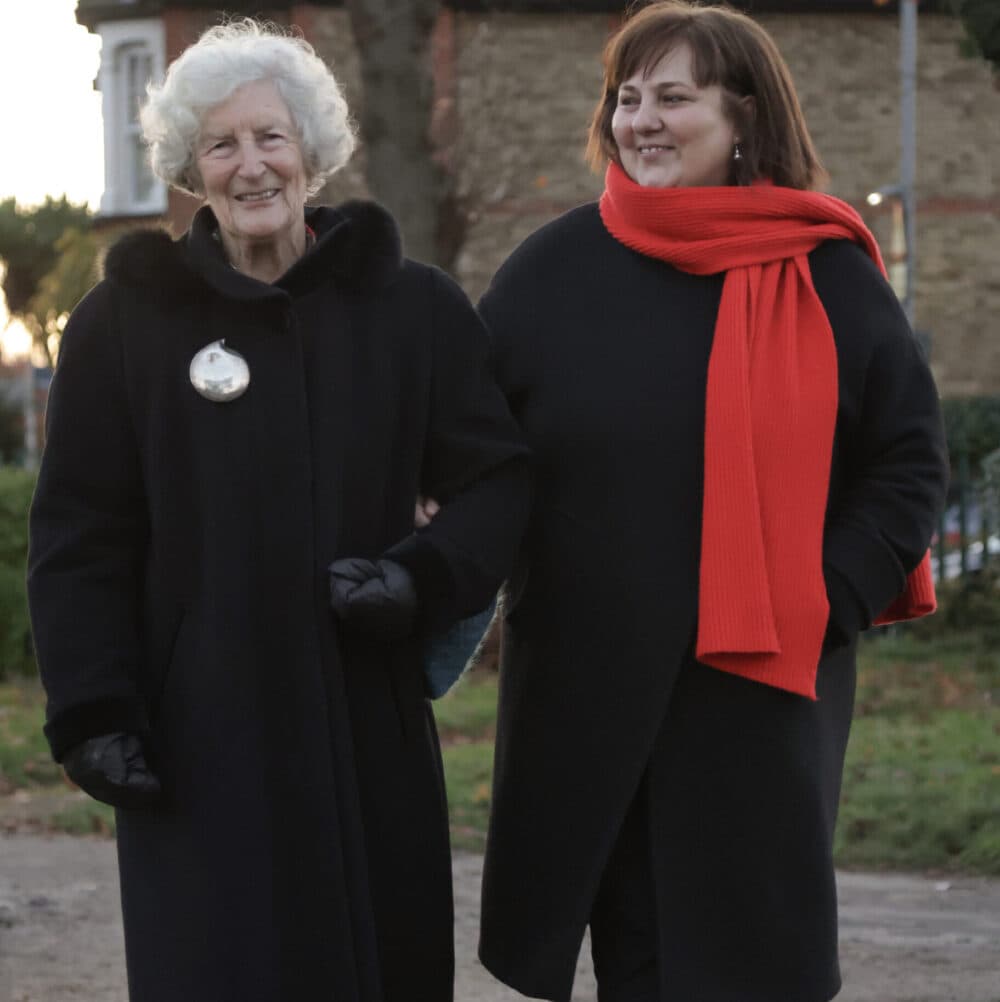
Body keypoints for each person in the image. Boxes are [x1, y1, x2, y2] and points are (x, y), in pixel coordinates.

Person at [27, 20, 529, 1002]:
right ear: (189, 167)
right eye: (221, 144)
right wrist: (93, 711)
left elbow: (496, 480)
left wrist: (417, 578)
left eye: (271, 137)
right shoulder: (125, 324)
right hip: (195, 737)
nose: (251, 165)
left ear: (310, 150)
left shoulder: (411, 309)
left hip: (363, 722)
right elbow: (79, 535)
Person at [473, 3, 949, 1001]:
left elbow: (905, 461)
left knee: (756, 962)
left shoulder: (828, 274)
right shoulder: (548, 274)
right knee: (631, 961)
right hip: (587, 690)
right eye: (626, 97)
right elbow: (469, 451)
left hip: (753, 692)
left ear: (743, 117)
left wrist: (825, 595)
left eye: (672, 97)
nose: (639, 120)